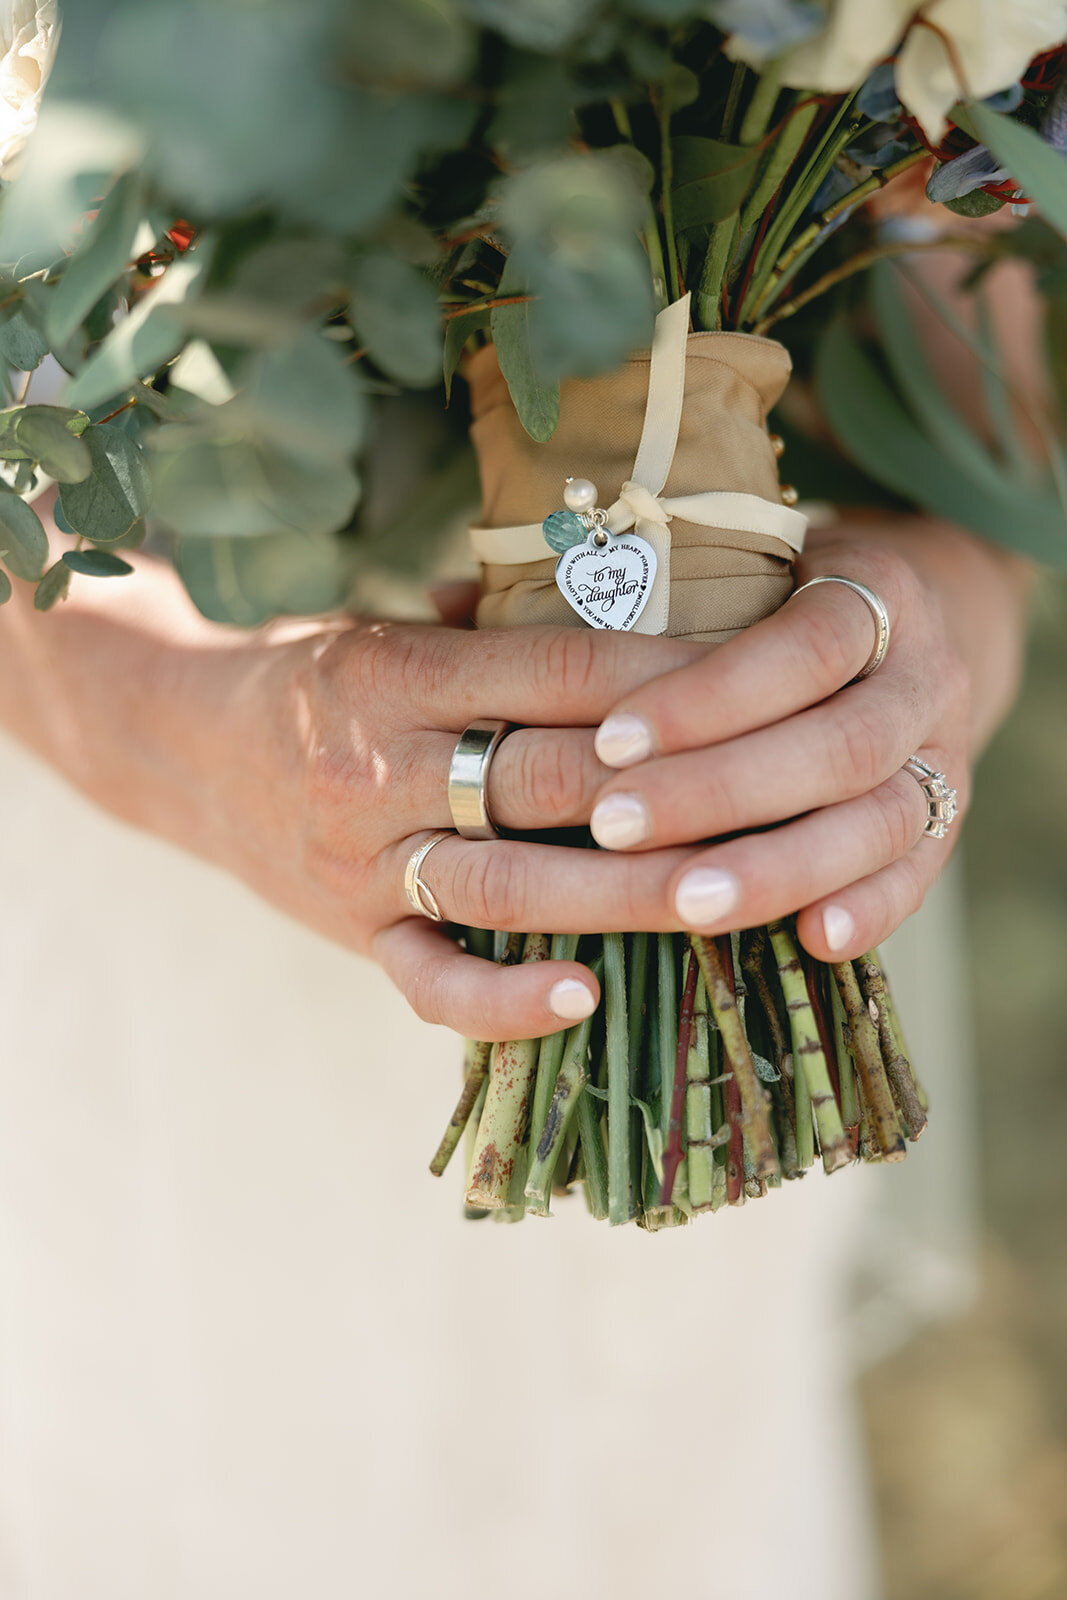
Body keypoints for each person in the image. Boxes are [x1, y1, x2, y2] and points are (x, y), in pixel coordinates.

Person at [0, 480, 1026, 1599]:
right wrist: (186, 715)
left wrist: (906, 667)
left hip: (715, 974)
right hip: (154, 936)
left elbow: (978, 468)